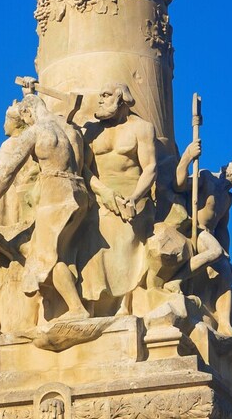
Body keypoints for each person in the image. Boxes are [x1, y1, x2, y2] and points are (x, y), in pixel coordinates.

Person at [0, 92, 91, 322]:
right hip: (78, 192)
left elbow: (9, 171)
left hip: (55, 194)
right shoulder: (65, 127)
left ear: (27, 112)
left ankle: (77, 308)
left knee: (44, 257)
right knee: (60, 254)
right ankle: (71, 303)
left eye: (24, 116)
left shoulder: (36, 131)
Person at [80, 84, 159, 314]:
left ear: (122, 99)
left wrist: (134, 198)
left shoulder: (143, 128)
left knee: (126, 242)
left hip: (133, 199)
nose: (101, 100)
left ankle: (126, 304)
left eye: (105, 95)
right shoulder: (92, 132)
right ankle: (92, 305)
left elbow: (151, 167)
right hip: (101, 198)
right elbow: (84, 169)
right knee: (93, 244)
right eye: (100, 96)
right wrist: (103, 192)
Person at [173, 139, 232, 339]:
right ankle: (176, 279)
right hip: (194, 230)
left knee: (225, 272)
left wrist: (228, 258)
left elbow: (222, 229)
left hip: (209, 235)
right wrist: (187, 157)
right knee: (215, 252)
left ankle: (225, 324)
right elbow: (179, 185)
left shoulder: (227, 199)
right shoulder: (205, 178)